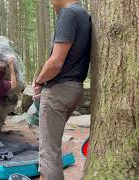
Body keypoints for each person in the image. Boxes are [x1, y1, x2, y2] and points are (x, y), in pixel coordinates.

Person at [33, 0, 91, 179]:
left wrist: (39, 80)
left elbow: (56, 62)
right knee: (52, 146)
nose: (51, 3)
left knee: (48, 152)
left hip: (58, 89)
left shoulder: (68, 14)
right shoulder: (84, 15)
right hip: (75, 87)